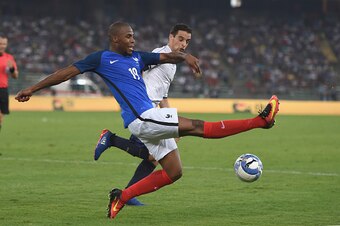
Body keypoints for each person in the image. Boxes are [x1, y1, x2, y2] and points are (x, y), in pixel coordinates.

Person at [15, 22, 279, 220]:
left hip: (149, 119)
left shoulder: (138, 57)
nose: (133, 40)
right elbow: (65, 73)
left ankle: (122, 196)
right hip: (142, 117)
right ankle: (261, 121)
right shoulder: (101, 59)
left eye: (133, 36)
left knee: (174, 172)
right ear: (115, 38)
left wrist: (185, 56)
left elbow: (167, 57)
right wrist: (32, 88)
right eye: (128, 36)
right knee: (198, 127)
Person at [93, 23, 194, 206]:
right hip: (142, 110)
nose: (183, 44)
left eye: (187, 41)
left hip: (152, 111)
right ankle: (111, 140)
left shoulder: (172, 64)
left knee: (154, 157)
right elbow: (134, 70)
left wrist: (171, 119)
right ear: (170, 37)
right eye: (180, 39)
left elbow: (163, 95)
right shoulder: (160, 54)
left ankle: (129, 193)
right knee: (152, 156)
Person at [0, 34, 19, 131]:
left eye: (4, 44)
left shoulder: (9, 58)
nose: (2, 46)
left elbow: (15, 76)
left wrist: (11, 69)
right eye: (0, 44)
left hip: (2, 89)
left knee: (1, 114)